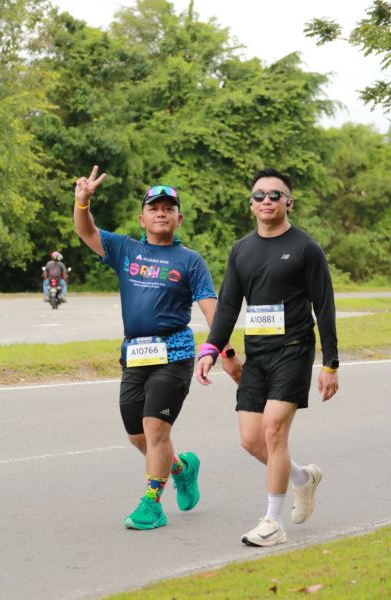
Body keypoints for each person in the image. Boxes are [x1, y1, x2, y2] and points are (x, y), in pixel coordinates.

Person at [73, 166, 241, 531]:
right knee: (138, 436)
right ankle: (181, 469)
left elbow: (212, 310)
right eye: (154, 208)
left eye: (169, 208)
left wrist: (225, 353)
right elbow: (86, 232)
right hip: (135, 355)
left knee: (155, 429)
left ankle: (151, 504)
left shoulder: (190, 261)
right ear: (142, 218)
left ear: (179, 219)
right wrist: (82, 202)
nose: (161, 213)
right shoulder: (125, 250)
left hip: (175, 354)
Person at [196, 168, 339, 547]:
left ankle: (272, 522)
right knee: (251, 440)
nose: (266, 201)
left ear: (289, 202)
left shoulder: (306, 248)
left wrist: (330, 363)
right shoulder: (242, 250)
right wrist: (211, 349)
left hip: (294, 350)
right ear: (251, 204)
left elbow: (324, 306)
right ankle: (303, 478)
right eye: (259, 195)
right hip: (256, 355)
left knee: (274, 430)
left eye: (275, 195)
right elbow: (228, 305)